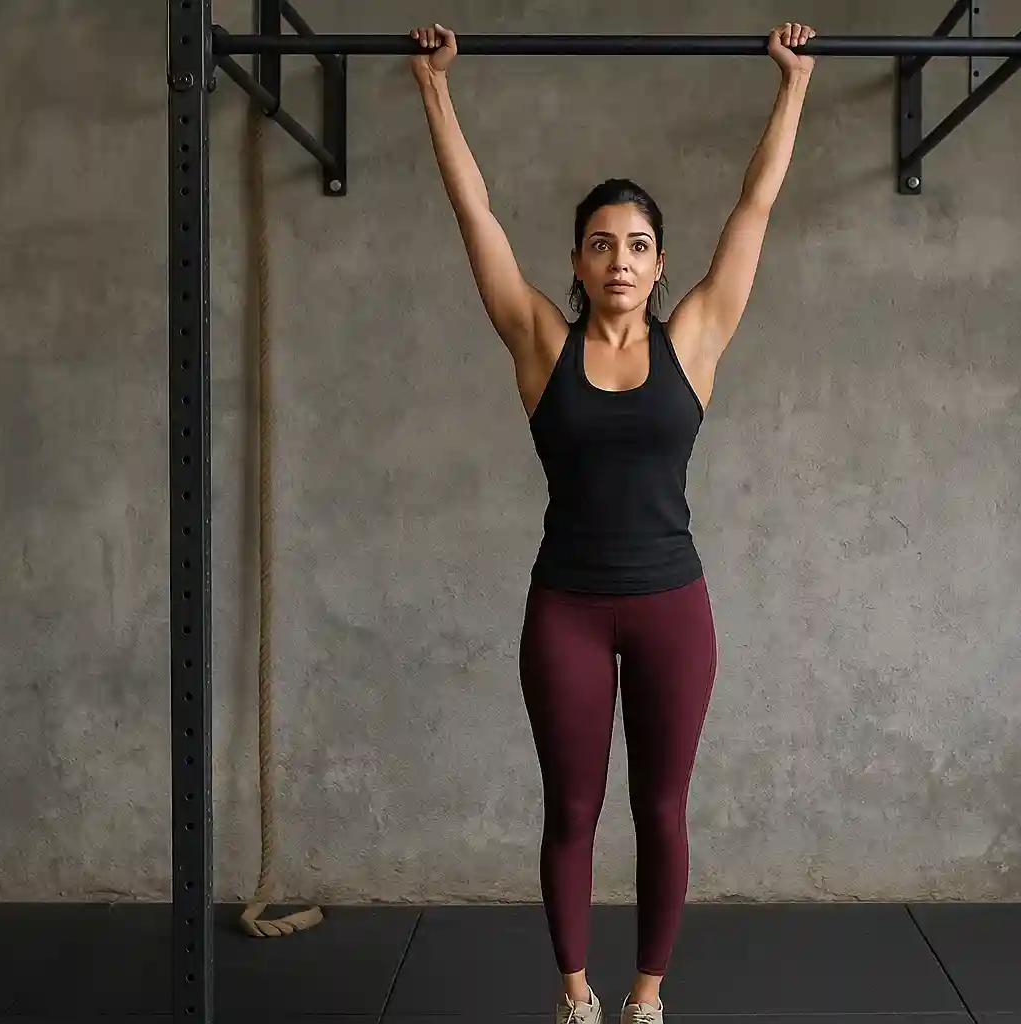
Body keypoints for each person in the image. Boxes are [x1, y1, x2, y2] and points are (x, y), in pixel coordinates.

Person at [409, 20, 818, 1024]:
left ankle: (645, 996)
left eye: (637, 244)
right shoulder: (540, 340)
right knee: (574, 810)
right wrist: (432, 87)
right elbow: (477, 214)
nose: (620, 259)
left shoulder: (698, 337)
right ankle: (575, 994)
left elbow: (755, 204)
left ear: (660, 260)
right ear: (579, 263)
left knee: (663, 809)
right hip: (569, 607)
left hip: (673, 602)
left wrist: (794, 85)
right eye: (601, 244)